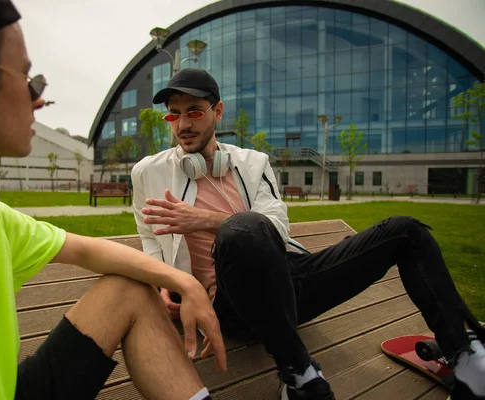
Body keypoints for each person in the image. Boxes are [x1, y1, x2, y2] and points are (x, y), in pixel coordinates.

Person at [0, 3, 227, 400]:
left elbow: (88, 250)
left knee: (130, 286)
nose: (39, 101)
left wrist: (184, 283)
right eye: (30, 79)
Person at [131, 68, 485, 400]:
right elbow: (149, 234)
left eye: (193, 112)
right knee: (242, 229)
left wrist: (204, 219)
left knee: (406, 231)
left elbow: (277, 226)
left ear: (217, 111)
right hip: (230, 305)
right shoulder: (148, 172)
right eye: (173, 114)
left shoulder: (252, 162)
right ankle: (300, 376)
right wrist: (163, 281)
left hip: (291, 281)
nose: (182, 124)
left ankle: (465, 355)